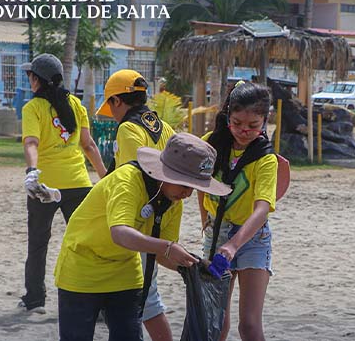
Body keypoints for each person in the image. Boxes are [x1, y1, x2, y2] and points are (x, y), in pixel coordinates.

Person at [54, 133, 231, 341]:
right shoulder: (127, 181)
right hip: (82, 270)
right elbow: (120, 233)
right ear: (167, 173)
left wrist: (195, 267)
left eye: (193, 187)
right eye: (185, 185)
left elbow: (162, 254)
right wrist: (167, 246)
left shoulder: (174, 202)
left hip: (125, 273)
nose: (188, 194)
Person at [19, 53, 107, 314]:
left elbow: (31, 142)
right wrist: (105, 176)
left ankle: (35, 300)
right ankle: (99, 302)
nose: (28, 80)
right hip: (79, 184)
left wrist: (33, 170)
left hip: (45, 187)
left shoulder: (32, 108)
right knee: (87, 245)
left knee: (37, 244)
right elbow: (88, 145)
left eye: (30, 76)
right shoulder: (76, 104)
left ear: (37, 80)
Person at [95, 69, 176, 340]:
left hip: (138, 223)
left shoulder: (129, 128)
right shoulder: (165, 127)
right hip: (162, 217)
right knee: (145, 296)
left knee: (146, 298)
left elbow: (130, 180)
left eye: (111, 105)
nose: (112, 113)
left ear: (118, 101)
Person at [199, 82, 278, 341]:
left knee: (250, 326)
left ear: (265, 121)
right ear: (227, 116)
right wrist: (206, 221)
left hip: (253, 238)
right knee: (216, 320)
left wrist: (233, 245)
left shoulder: (265, 158)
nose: (244, 131)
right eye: (237, 123)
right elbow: (198, 183)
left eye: (253, 125)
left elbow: (262, 208)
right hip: (217, 232)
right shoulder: (210, 145)